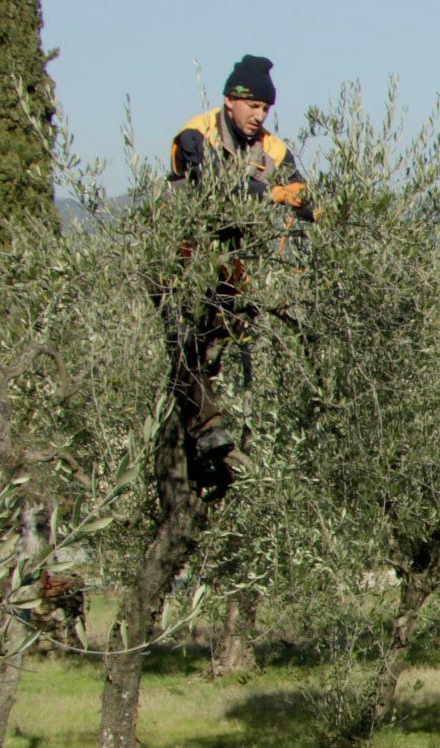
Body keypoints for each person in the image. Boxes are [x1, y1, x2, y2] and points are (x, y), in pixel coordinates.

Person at [163, 54, 313, 494]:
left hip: (230, 260)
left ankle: (212, 443)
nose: (259, 115)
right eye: (252, 106)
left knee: (221, 342)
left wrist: (302, 199)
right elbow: (215, 179)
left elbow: (307, 195)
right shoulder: (197, 132)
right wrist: (274, 194)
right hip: (181, 254)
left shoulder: (272, 147)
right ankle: (206, 430)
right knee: (185, 342)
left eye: (265, 108)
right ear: (230, 101)